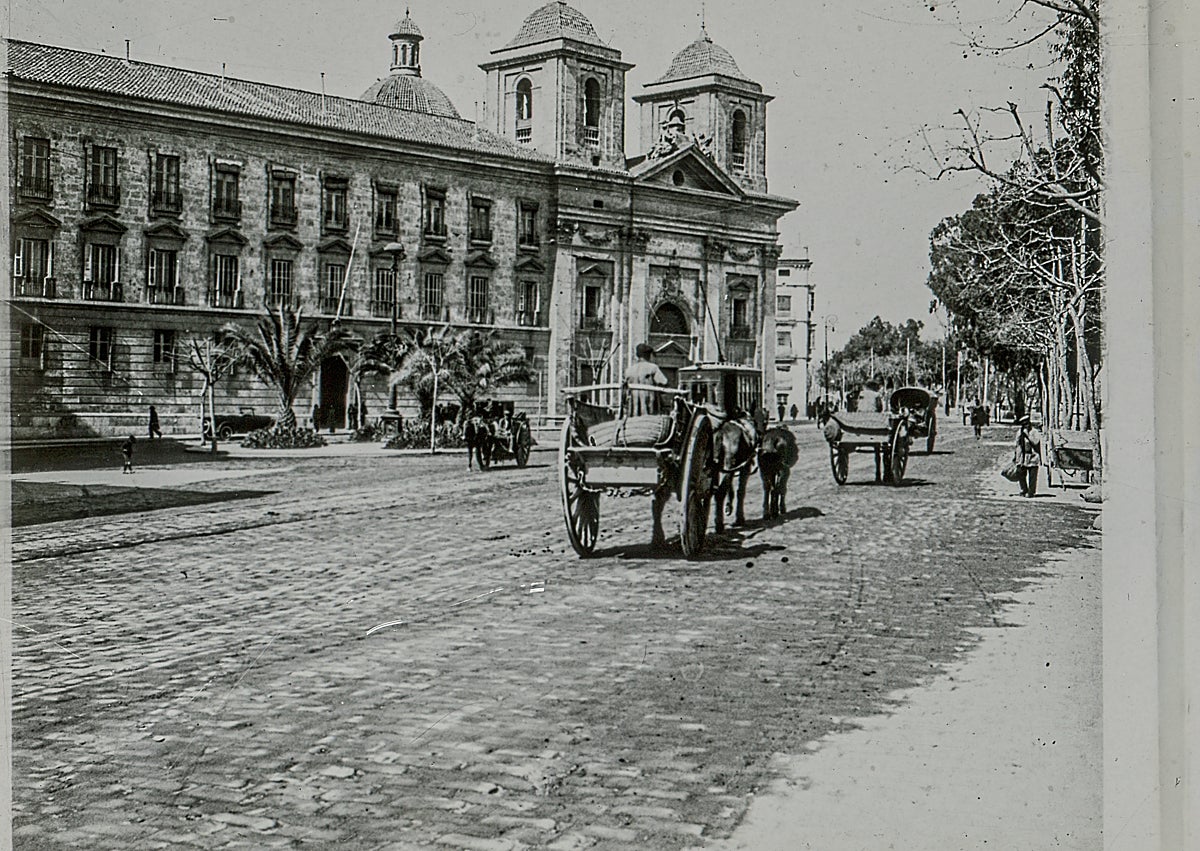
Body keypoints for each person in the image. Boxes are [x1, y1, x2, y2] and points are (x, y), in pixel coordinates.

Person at [626, 343, 668, 416]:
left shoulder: (629, 370)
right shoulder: (653, 368)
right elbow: (664, 382)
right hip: (648, 408)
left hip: (633, 410)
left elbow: (625, 390)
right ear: (648, 355)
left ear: (637, 355)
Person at [1013, 415, 1042, 496]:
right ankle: (1024, 489)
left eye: (1027, 424)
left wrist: (1028, 436)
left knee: (1032, 476)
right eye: (1023, 424)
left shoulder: (1034, 432)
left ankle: (1031, 491)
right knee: (1021, 473)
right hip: (1023, 456)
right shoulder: (1020, 432)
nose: (1026, 426)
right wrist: (1016, 456)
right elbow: (1017, 444)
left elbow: (1035, 442)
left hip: (1033, 456)